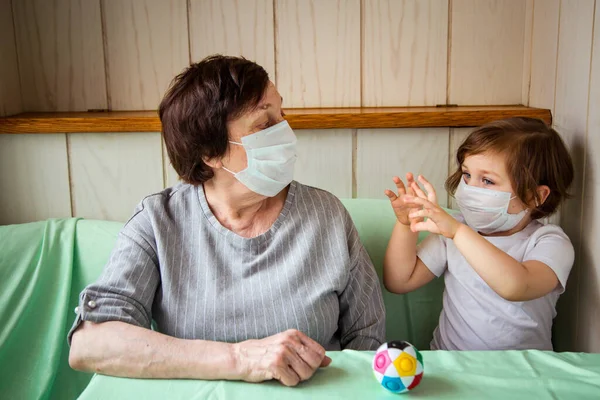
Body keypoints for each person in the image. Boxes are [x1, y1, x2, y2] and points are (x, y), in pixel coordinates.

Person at [68, 55, 385, 386]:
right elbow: (89, 344)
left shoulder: (326, 214)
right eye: (265, 124)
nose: (287, 132)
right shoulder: (157, 223)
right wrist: (240, 359)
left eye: (282, 114)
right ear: (211, 153)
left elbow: (368, 340)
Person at [383, 117, 574, 351]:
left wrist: (457, 232)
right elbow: (399, 281)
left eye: (487, 180)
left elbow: (517, 286)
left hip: (523, 372)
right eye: (467, 175)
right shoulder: (454, 231)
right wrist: (405, 223)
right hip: (452, 366)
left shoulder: (550, 242)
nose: (470, 188)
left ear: (536, 196)